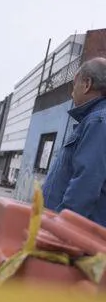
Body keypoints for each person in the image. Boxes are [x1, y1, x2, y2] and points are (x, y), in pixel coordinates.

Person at [42, 57, 106, 226]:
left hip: (71, 238)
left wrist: (60, 227)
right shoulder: (94, 120)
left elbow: (86, 182)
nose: (72, 92)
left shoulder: (98, 121)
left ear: (87, 84)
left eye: (74, 85)